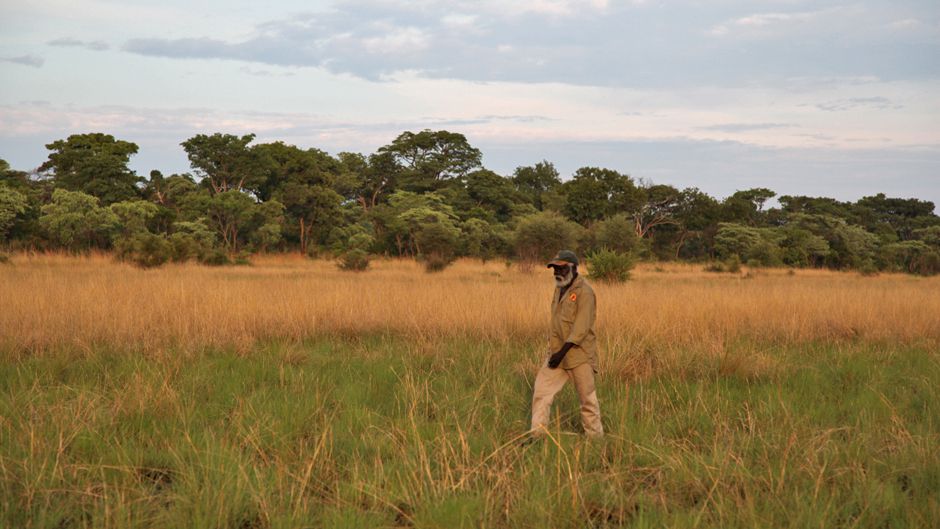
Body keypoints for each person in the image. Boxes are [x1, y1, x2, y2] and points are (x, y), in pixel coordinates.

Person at [529, 250, 604, 437]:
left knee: (588, 401)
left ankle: (595, 440)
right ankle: (537, 436)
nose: (557, 272)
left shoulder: (585, 292)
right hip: (557, 353)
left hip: (579, 355)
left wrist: (560, 354)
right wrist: (555, 353)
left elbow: (580, 329)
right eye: (554, 268)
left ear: (574, 268)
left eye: (561, 269)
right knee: (541, 392)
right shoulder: (559, 288)